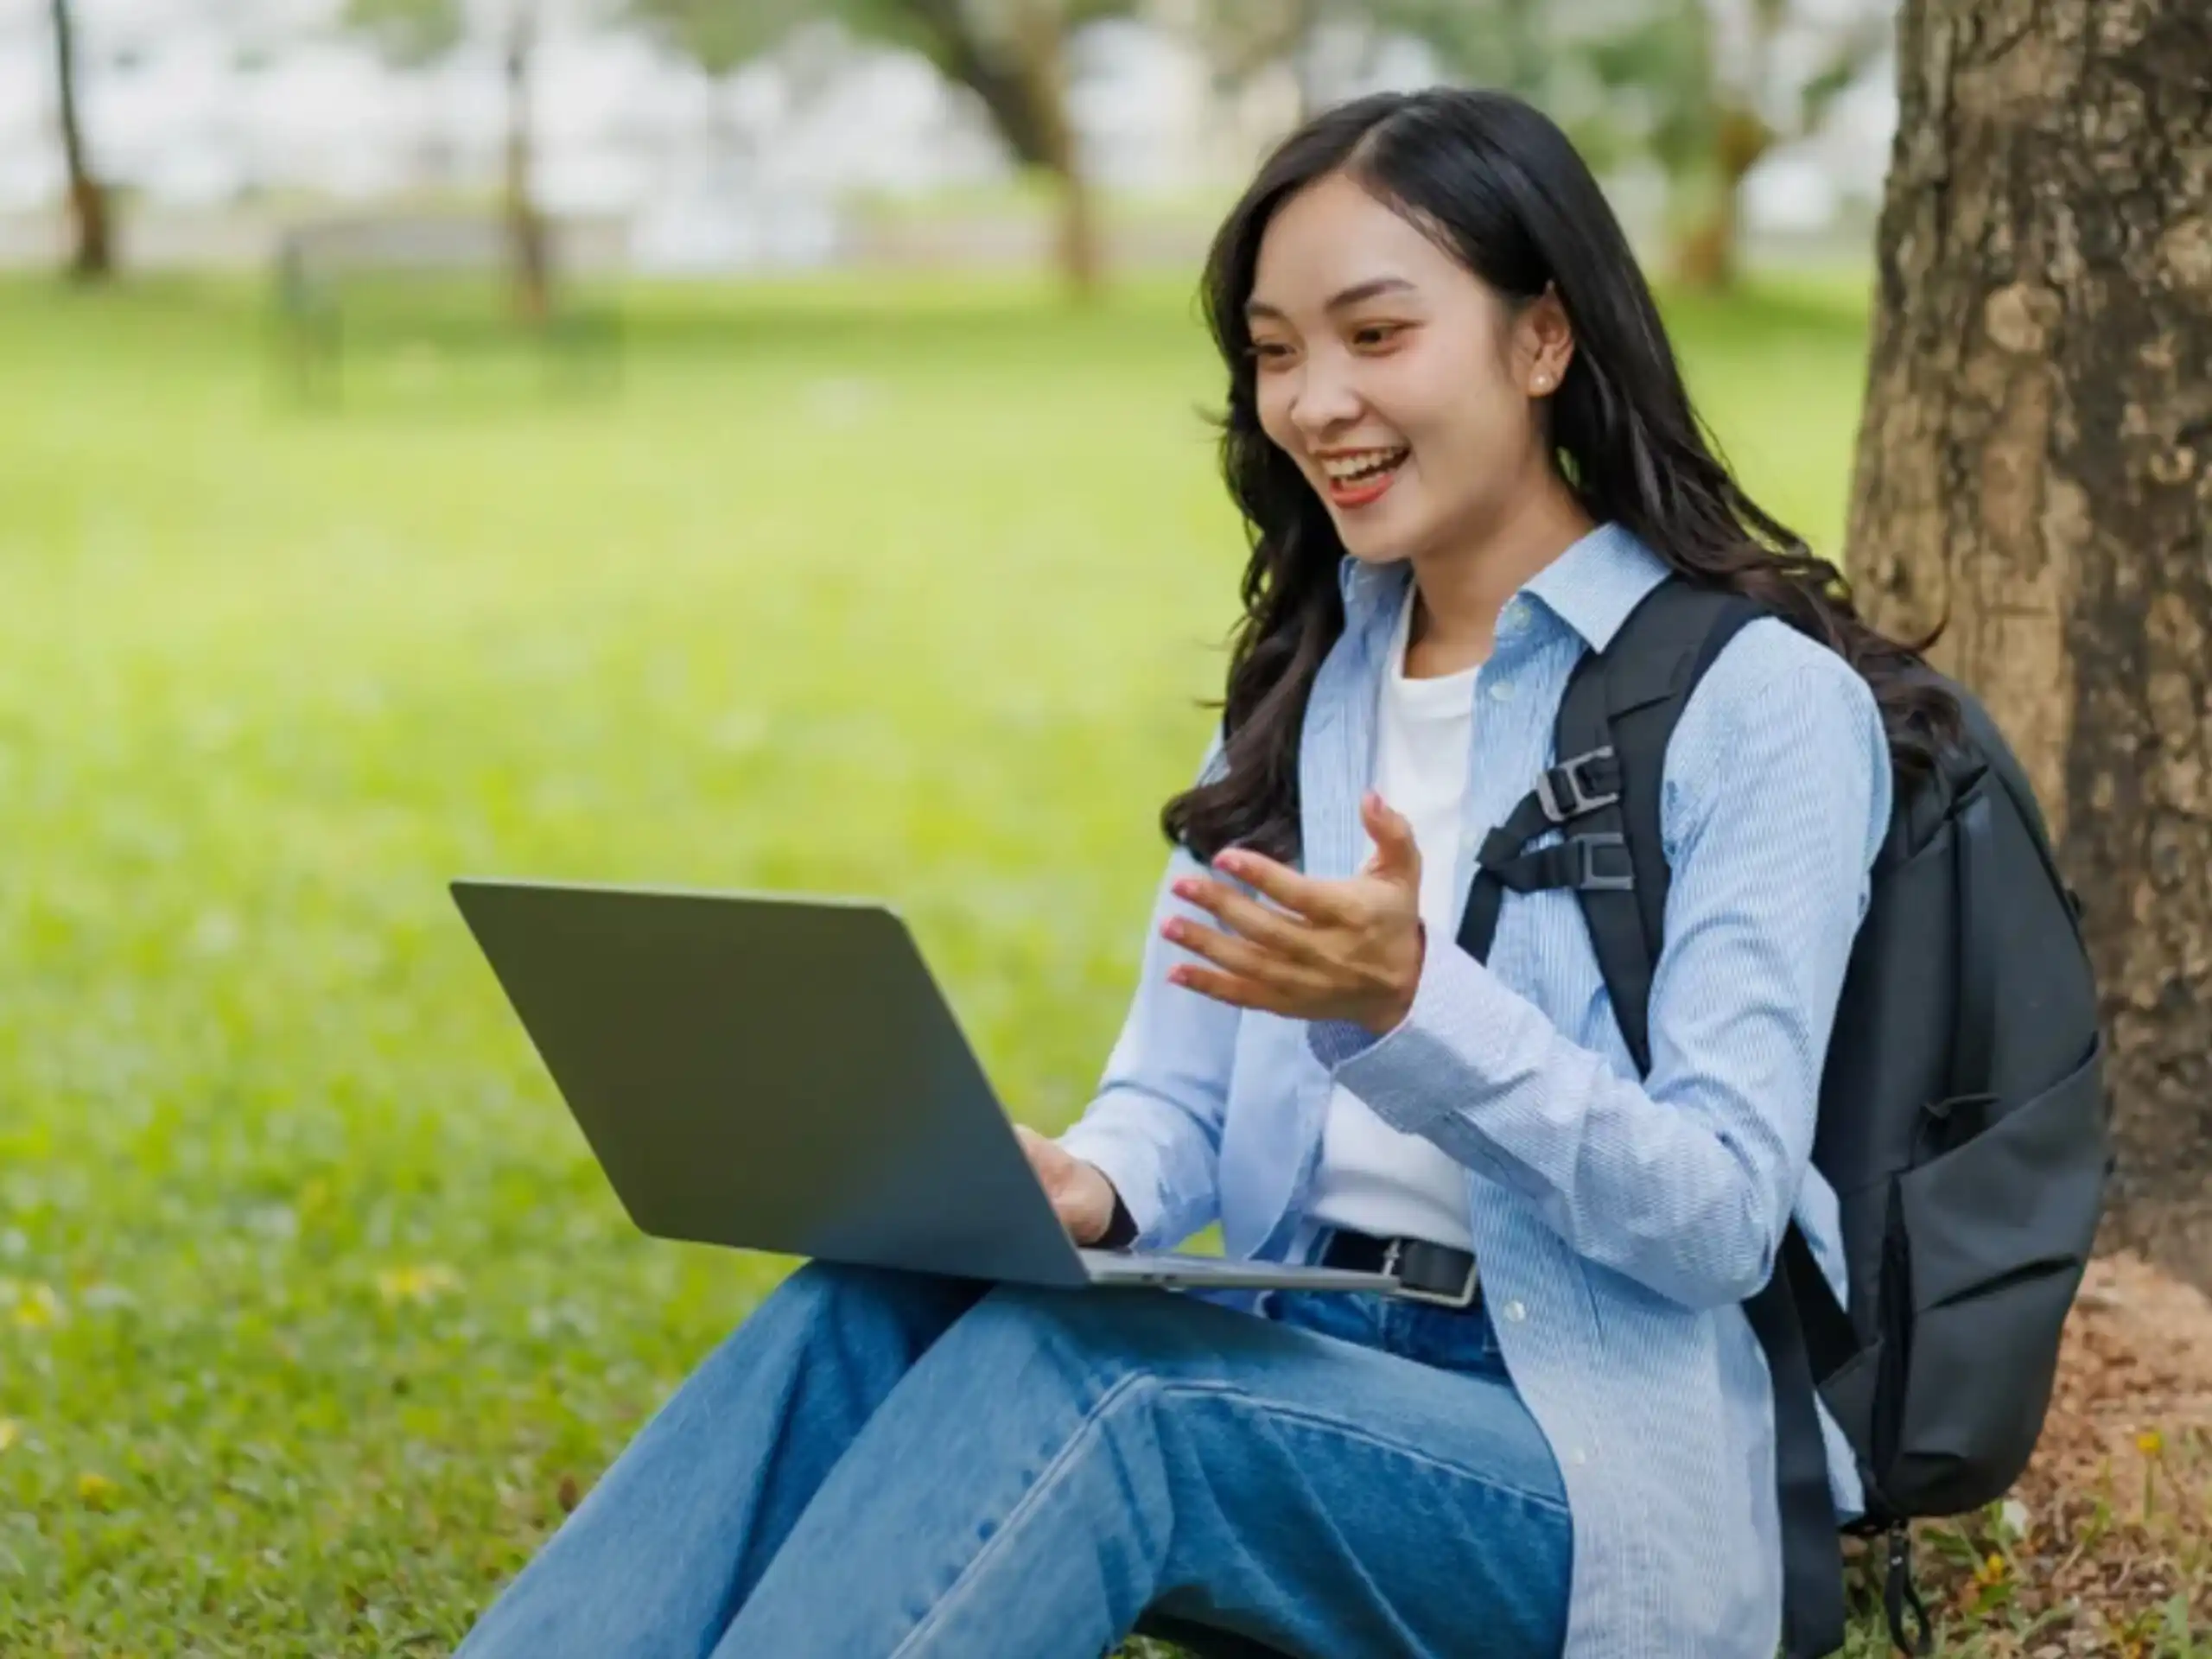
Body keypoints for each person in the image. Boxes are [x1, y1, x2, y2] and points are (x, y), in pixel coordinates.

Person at [454, 86, 1956, 1659]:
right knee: (864, 1304)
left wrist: (1412, 1003)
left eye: (1377, 336)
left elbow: (1718, 1215)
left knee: (1112, 1388)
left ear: (1543, 341)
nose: (1313, 402)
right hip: (1308, 1352)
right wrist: (1092, 1184)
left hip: (1600, 1467)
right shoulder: (1325, 677)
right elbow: (1178, 1093)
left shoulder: (1759, 704)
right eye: (1276, 348)